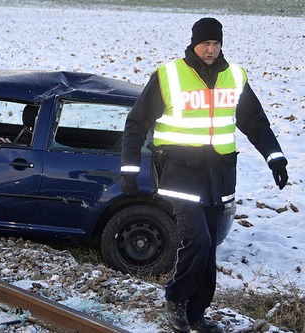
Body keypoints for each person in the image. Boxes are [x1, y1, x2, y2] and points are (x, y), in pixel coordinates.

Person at [119, 18, 288, 333]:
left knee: (209, 247)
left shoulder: (234, 76)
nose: (210, 50)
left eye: (216, 44)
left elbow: (255, 122)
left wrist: (275, 157)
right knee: (197, 240)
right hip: (179, 173)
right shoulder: (169, 75)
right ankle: (176, 298)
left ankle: (196, 313)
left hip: (220, 174)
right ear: (194, 43)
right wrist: (129, 168)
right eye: (205, 43)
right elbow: (136, 122)